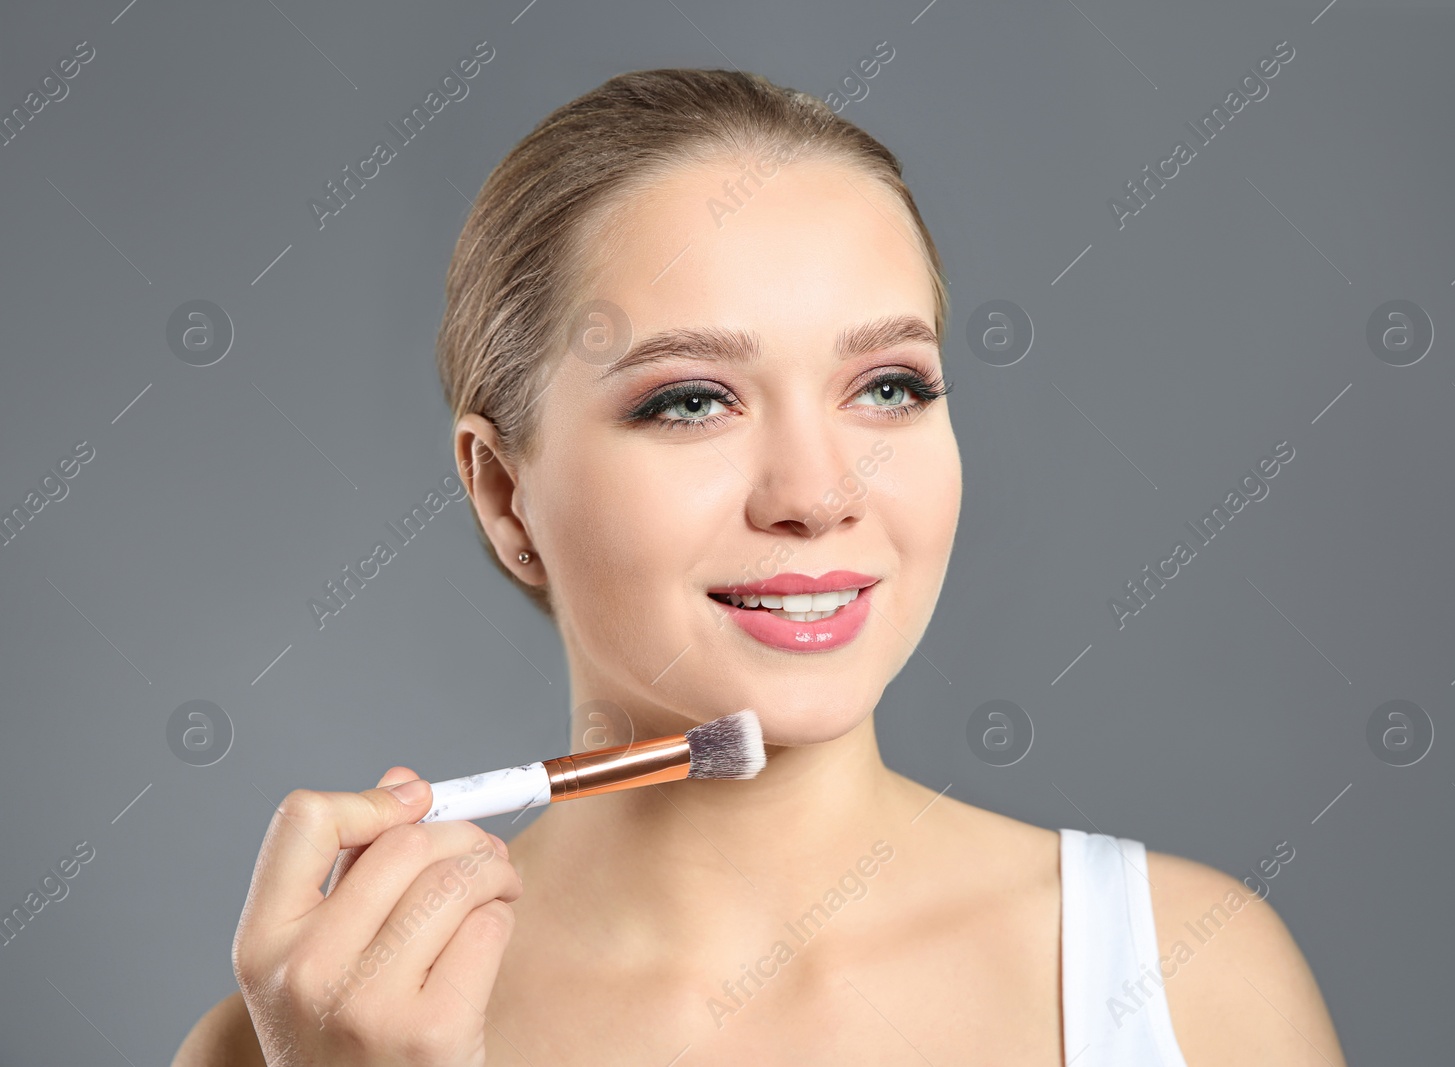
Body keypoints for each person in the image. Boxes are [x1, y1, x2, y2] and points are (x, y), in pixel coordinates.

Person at [174, 68, 1346, 1066]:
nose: (813, 495)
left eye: (888, 387)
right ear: (504, 492)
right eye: (692, 401)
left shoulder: (1192, 976)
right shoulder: (300, 1036)